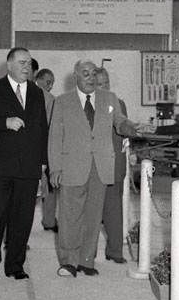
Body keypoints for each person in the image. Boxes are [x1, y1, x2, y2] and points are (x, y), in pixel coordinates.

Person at [48, 59, 144, 277]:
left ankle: (86, 261)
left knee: (93, 217)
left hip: (100, 167)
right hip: (72, 165)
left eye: (93, 74)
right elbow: (54, 137)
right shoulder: (62, 102)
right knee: (70, 217)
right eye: (85, 74)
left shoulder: (109, 98)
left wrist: (134, 127)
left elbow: (120, 122)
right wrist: (55, 168)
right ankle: (68, 262)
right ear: (76, 77)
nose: (90, 78)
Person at [0, 47, 48, 280]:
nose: (27, 67)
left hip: (28, 167)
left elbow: (43, 129)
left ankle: (16, 265)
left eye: (29, 63)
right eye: (22, 63)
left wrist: (43, 163)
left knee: (23, 219)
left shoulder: (37, 93)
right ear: (9, 65)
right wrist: (4, 122)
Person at [96, 67, 128, 264]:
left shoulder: (119, 103)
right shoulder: (85, 105)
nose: (104, 87)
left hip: (113, 166)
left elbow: (124, 132)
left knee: (114, 211)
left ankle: (115, 251)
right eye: (100, 84)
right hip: (91, 166)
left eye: (106, 82)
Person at [35, 68, 57, 233]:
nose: (50, 86)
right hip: (45, 148)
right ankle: (49, 221)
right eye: (48, 82)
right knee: (47, 186)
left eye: (52, 83)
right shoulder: (49, 99)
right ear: (39, 79)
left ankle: (49, 220)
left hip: (37, 148)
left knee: (48, 186)